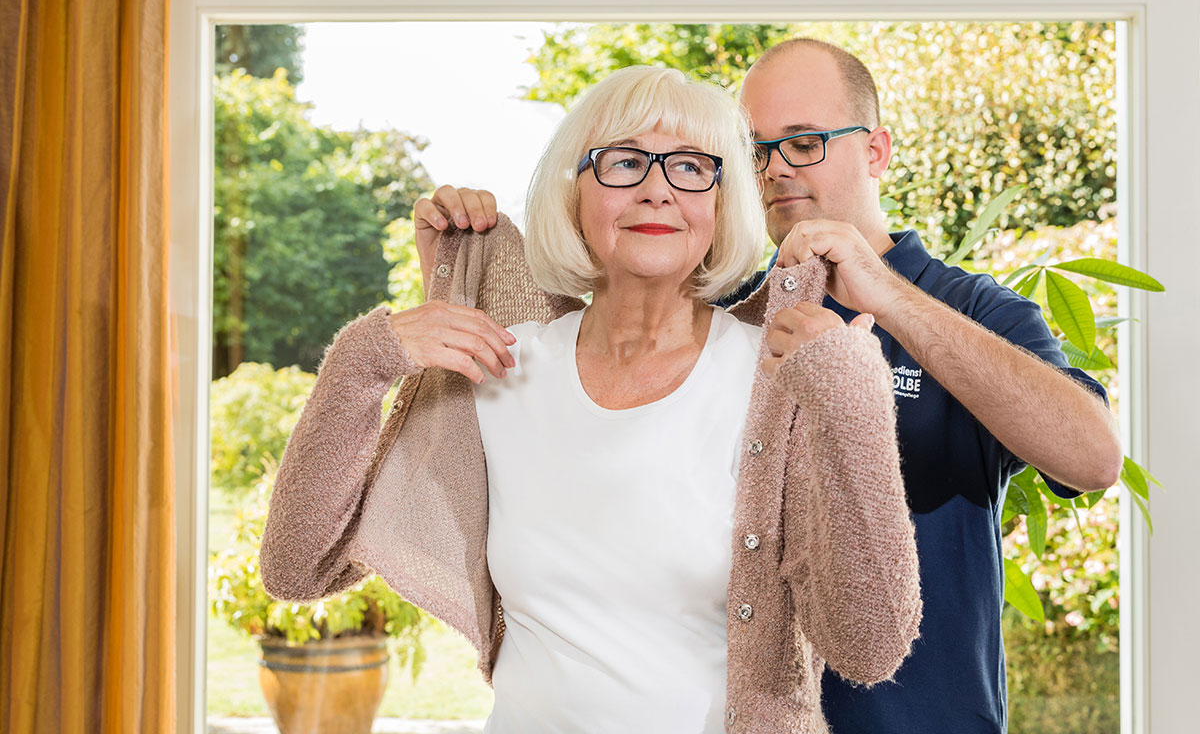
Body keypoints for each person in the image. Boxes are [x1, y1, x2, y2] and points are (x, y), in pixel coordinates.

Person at [415, 40, 1122, 734]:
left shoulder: (972, 311)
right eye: (754, 150)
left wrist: (885, 293)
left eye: (805, 142)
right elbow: (576, 410)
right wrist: (458, 271)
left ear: (875, 151)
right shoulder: (733, 320)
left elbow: (1093, 459)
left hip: (919, 713)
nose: (776, 168)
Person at [260, 65, 922, 734]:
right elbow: (297, 567)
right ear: (571, 191)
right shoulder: (502, 362)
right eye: (626, 163)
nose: (658, 190)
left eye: (692, 167)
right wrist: (362, 360)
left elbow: (872, 646)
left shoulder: (778, 374)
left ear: (722, 203)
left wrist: (851, 392)